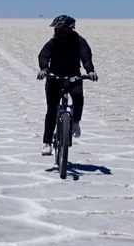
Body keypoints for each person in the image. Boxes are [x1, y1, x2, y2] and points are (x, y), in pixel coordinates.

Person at [37, 15, 97, 155]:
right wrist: (44, 69)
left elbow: (86, 56)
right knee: (52, 110)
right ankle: (47, 142)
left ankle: (76, 122)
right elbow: (43, 55)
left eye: (60, 29)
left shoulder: (79, 41)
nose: (57, 32)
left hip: (73, 75)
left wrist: (90, 70)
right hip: (54, 76)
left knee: (77, 96)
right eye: (56, 29)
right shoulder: (53, 43)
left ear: (69, 29)